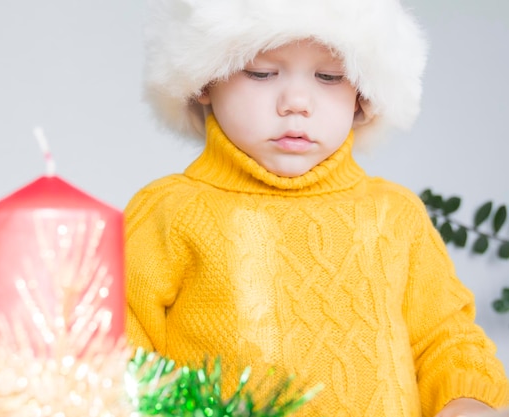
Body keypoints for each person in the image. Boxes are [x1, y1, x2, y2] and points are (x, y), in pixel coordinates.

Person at [124, 0, 509, 416]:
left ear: (363, 97)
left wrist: (467, 401)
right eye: (262, 72)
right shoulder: (169, 211)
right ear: (203, 81)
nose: (296, 102)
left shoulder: (395, 215)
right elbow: (114, 337)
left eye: (329, 76)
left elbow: (443, 337)